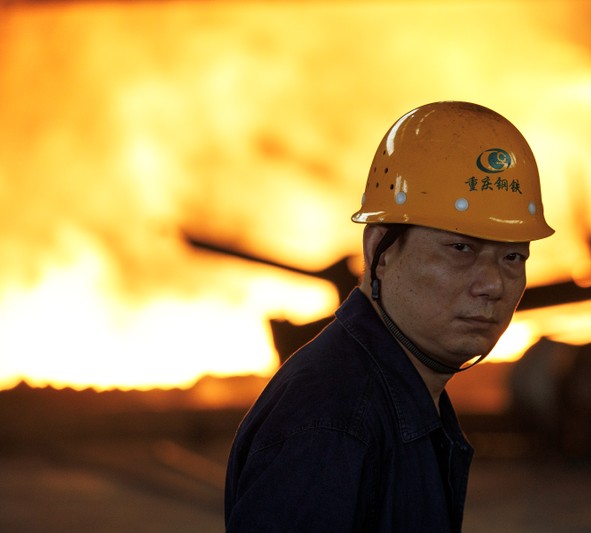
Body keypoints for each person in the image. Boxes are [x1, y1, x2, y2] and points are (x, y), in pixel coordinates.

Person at [224, 101, 554, 532]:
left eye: (512, 256)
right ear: (378, 250)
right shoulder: (333, 423)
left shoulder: (399, 398)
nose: (492, 283)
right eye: (460, 249)